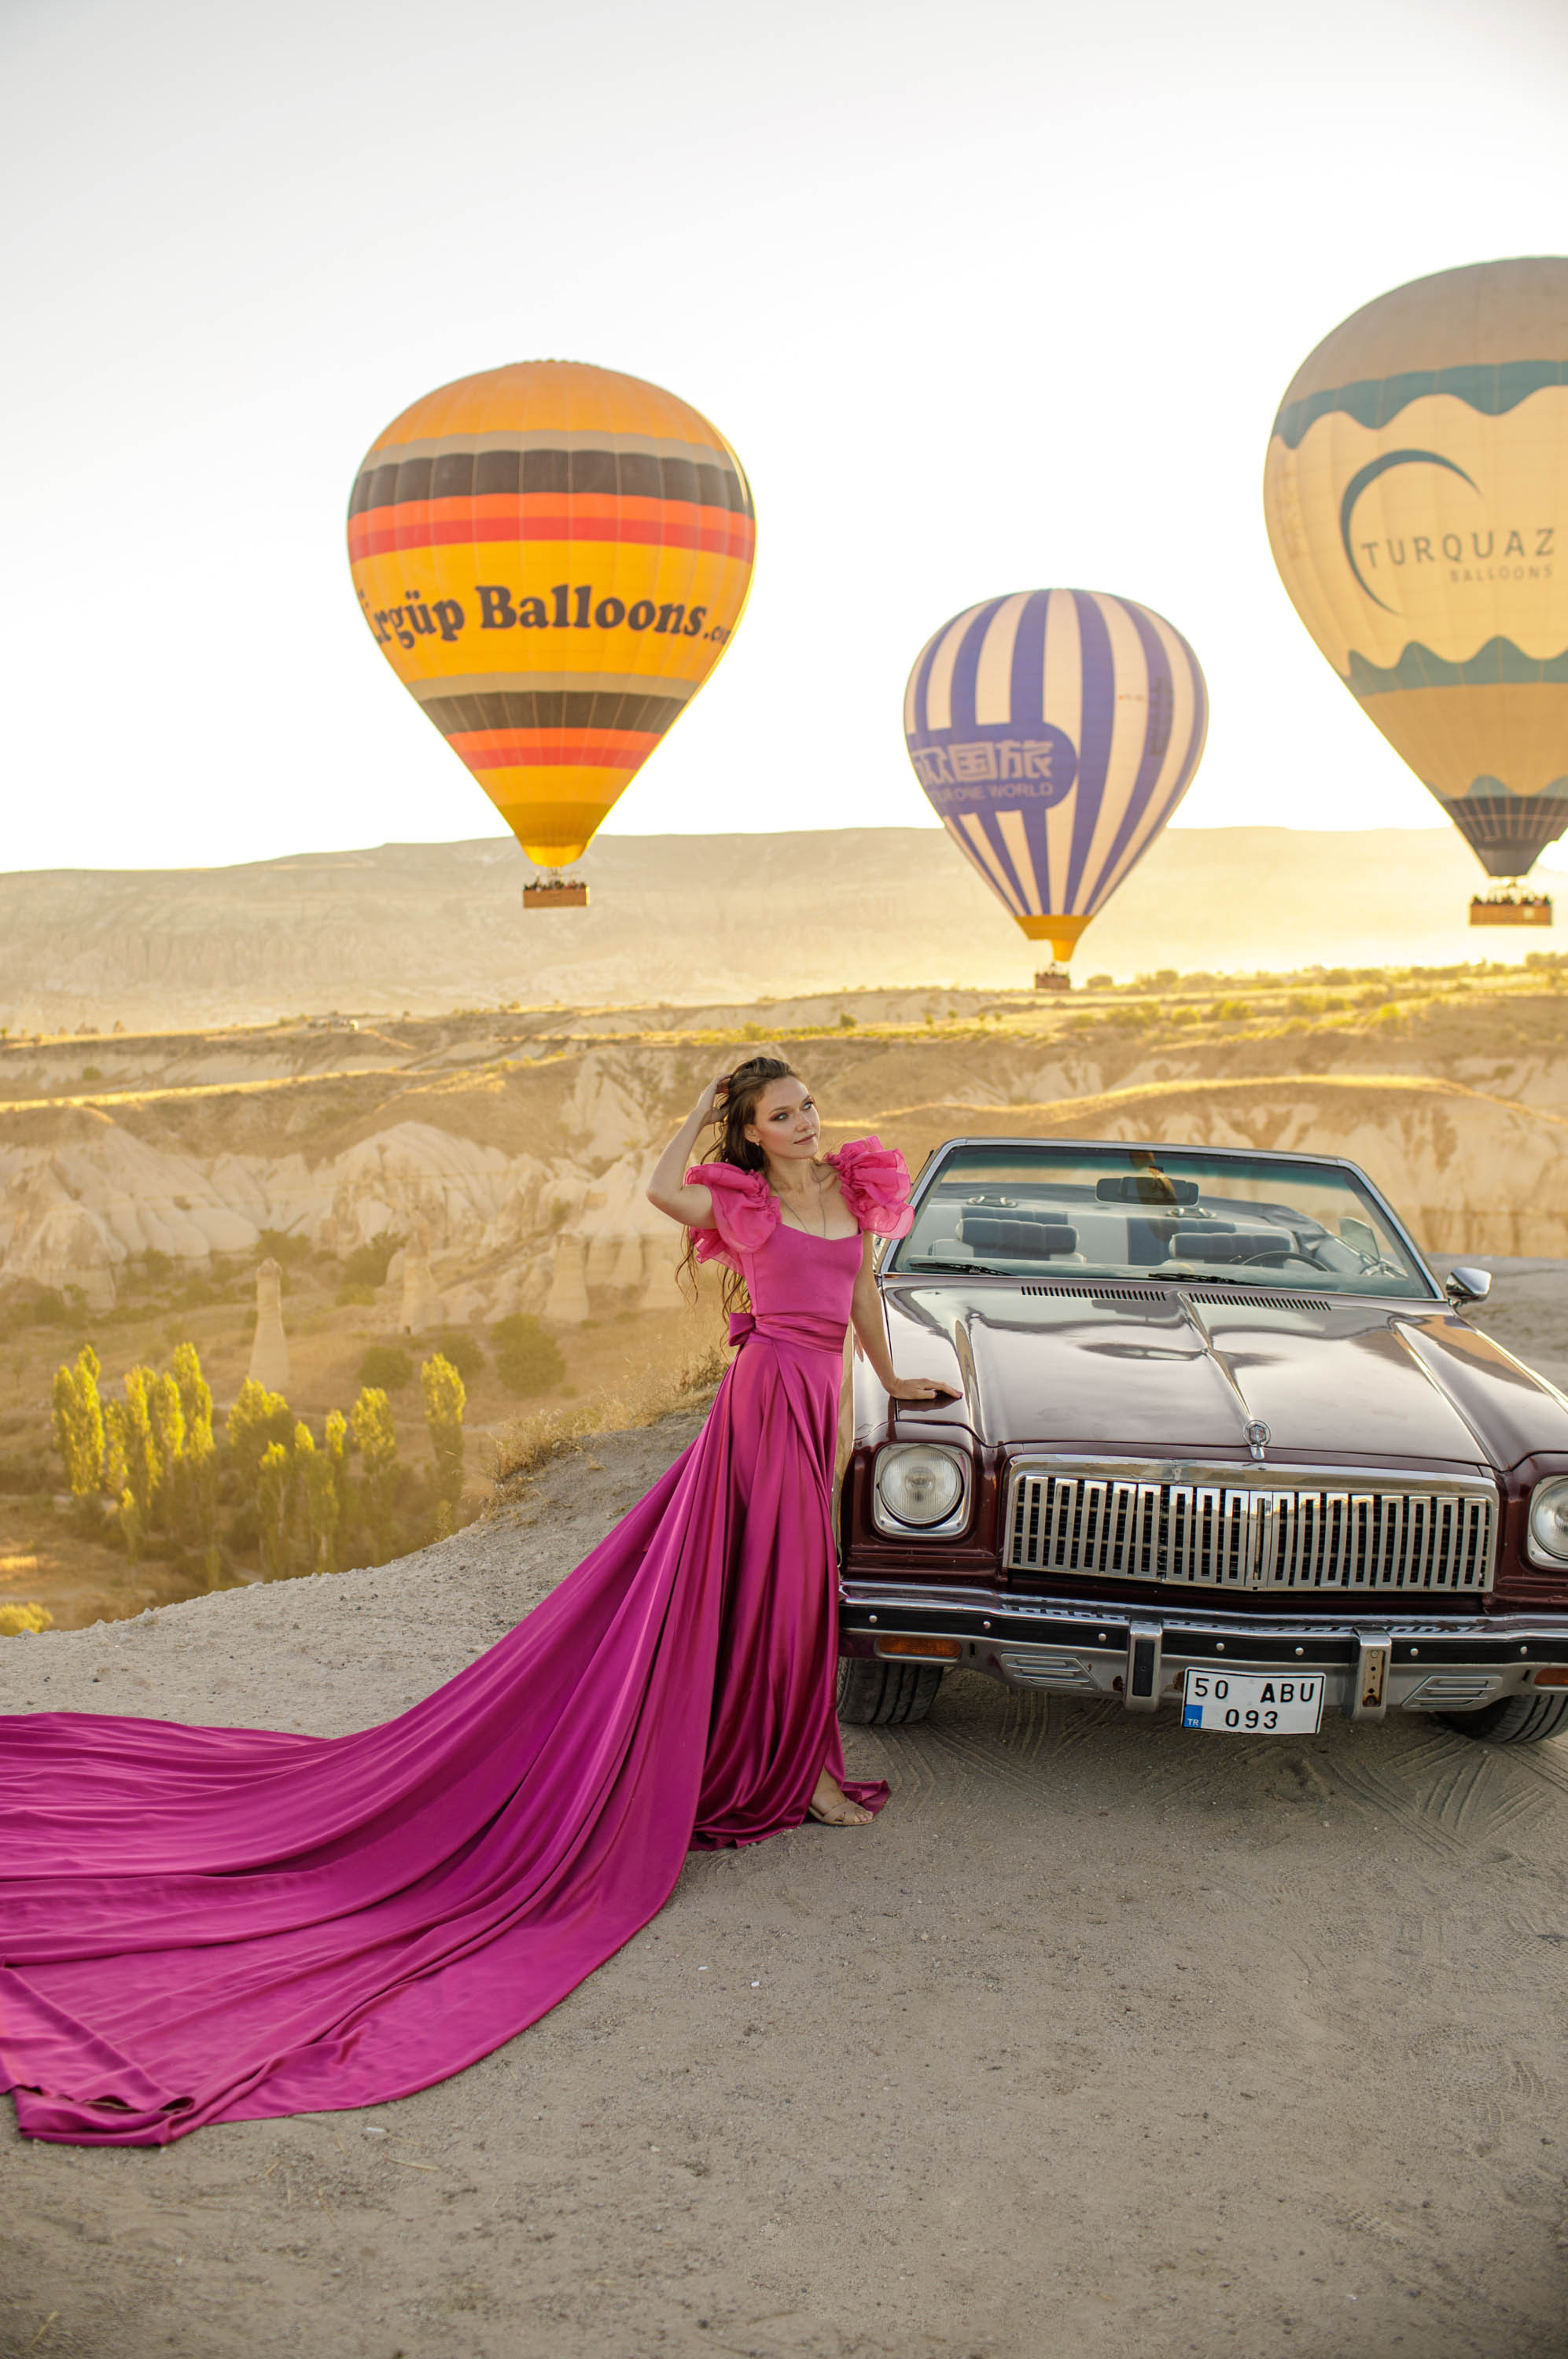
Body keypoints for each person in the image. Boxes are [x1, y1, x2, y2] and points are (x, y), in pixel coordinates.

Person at [0, 1055, 951, 2147]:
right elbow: (657, 1189)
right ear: (749, 1131)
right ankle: (799, 1775)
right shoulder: (738, 1202)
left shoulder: (853, 1184)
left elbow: (862, 1294)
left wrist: (896, 1377)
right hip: (763, 1396)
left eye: (807, 1105)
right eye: (781, 1114)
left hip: (822, 1394)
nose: (805, 1122)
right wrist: (696, 1107)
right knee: (778, 1583)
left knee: (796, 1581)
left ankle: (783, 1759)